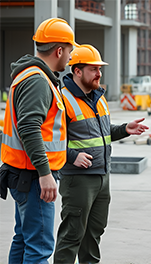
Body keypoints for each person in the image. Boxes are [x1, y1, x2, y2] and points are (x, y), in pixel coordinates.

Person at [53, 44, 149, 264]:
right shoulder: (62, 99)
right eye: (93, 69)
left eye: (100, 69)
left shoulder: (98, 97)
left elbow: (102, 134)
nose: (99, 73)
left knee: (93, 234)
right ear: (77, 71)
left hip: (102, 176)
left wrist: (125, 129)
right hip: (78, 179)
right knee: (72, 235)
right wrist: (71, 156)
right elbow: (49, 139)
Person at [0, 18, 78, 263]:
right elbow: (29, 127)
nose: (69, 56)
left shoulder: (30, 74)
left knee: (23, 239)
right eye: (69, 51)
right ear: (58, 50)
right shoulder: (37, 80)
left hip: (23, 173)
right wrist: (45, 174)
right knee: (39, 248)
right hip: (33, 177)